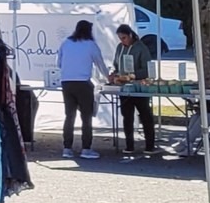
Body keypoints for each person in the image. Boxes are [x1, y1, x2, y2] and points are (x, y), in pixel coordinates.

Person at [56, 20, 107, 159]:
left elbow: (59, 63)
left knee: (69, 116)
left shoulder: (66, 42)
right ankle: (86, 148)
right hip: (83, 83)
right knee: (86, 117)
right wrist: (109, 78)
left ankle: (67, 148)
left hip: (66, 83)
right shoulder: (91, 45)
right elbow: (100, 64)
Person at [109, 24, 156, 157]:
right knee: (127, 116)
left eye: (124, 38)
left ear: (130, 35)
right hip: (124, 87)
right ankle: (129, 145)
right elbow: (116, 64)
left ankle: (150, 145)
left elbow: (147, 69)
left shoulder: (141, 48)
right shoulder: (120, 48)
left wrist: (132, 76)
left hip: (139, 86)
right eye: (120, 38)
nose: (122, 41)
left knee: (145, 115)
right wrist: (115, 74)